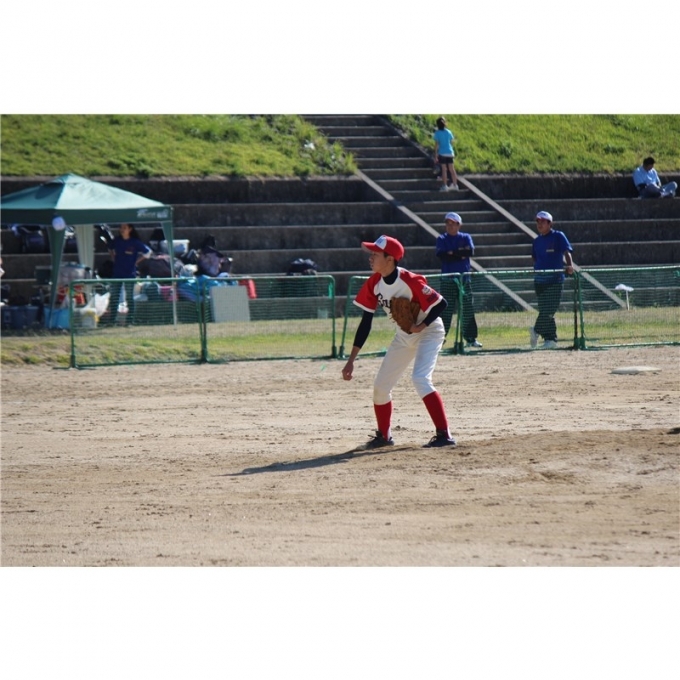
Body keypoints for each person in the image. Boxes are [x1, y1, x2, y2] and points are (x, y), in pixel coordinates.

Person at [341, 235, 457, 449]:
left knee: (420, 378)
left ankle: (444, 435)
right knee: (381, 387)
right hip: (403, 337)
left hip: (429, 332)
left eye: (375, 254)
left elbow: (441, 303)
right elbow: (365, 323)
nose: (370, 258)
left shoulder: (410, 280)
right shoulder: (374, 283)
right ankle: (384, 437)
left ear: (390, 259)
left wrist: (421, 326)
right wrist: (351, 360)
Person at [435, 212, 481, 348]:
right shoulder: (441, 239)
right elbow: (442, 255)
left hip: (464, 280)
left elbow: (469, 252)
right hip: (447, 280)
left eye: (453, 223)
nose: (450, 226)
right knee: (445, 310)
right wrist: (459, 253)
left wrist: (452, 253)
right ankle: (439, 339)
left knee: (467, 309)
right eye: (447, 223)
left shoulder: (465, 237)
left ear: (459, 225)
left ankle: (471, 338)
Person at [529, 211, 574, 350]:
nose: (539, 224)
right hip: (540, 280)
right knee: (545, 309)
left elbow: (567, 251)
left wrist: (569, 265)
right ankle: (550, 339)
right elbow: (534, 257)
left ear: (550, 223)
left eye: (542, 221)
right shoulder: (536, 240)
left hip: (555, 279)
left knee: (550, 309)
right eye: (538, 221)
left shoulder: (558, 236)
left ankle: (536, 330)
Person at [105, 223, 151, 325]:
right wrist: (113, 257)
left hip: (129, 273)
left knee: (129, 297)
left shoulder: (134, 242)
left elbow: (147, 253)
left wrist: (136, 262)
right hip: (117, 273)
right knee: (114, 297)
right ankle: (112, 321)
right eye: (121, 227)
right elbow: (110, 248)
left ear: (130, 229)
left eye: (124, 228)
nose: (122, 229)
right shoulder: (117, 241)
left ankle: (130, 320)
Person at [433, 116, 458, 192]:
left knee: (444, 170)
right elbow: (451, 142)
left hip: (442, 153)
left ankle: (445, 186)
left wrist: (435, 155)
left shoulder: (437, 133)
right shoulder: (449, 132)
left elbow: (437, 145)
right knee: (452, 169)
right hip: (450, 152)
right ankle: (455, 185)